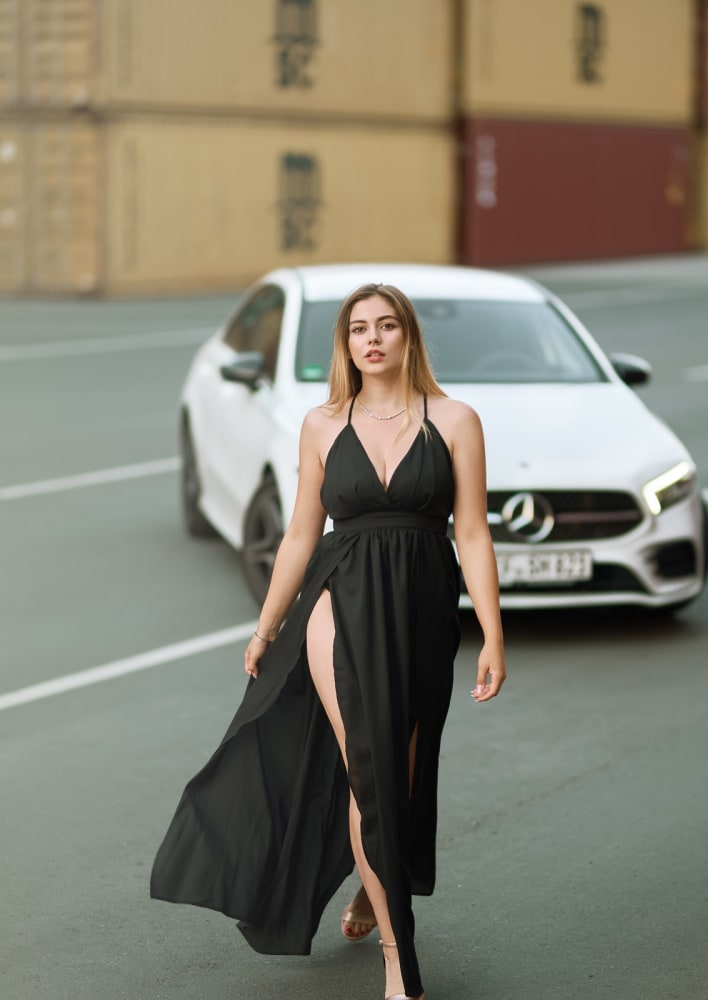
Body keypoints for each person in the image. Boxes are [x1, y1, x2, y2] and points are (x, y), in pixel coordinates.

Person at [150, 283, 506, 1000]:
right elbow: (302, 533)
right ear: (345, 345)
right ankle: (398, 961)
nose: (371, 339)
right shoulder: (321, 425)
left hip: (424, 605)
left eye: (386, 327)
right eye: (358, 330)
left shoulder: (458, 420)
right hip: (338, 596)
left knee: (399, 772)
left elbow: (471, 531)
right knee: (369, 764)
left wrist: (494, 634)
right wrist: (267, 622)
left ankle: (373, 890)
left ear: (408, 337)